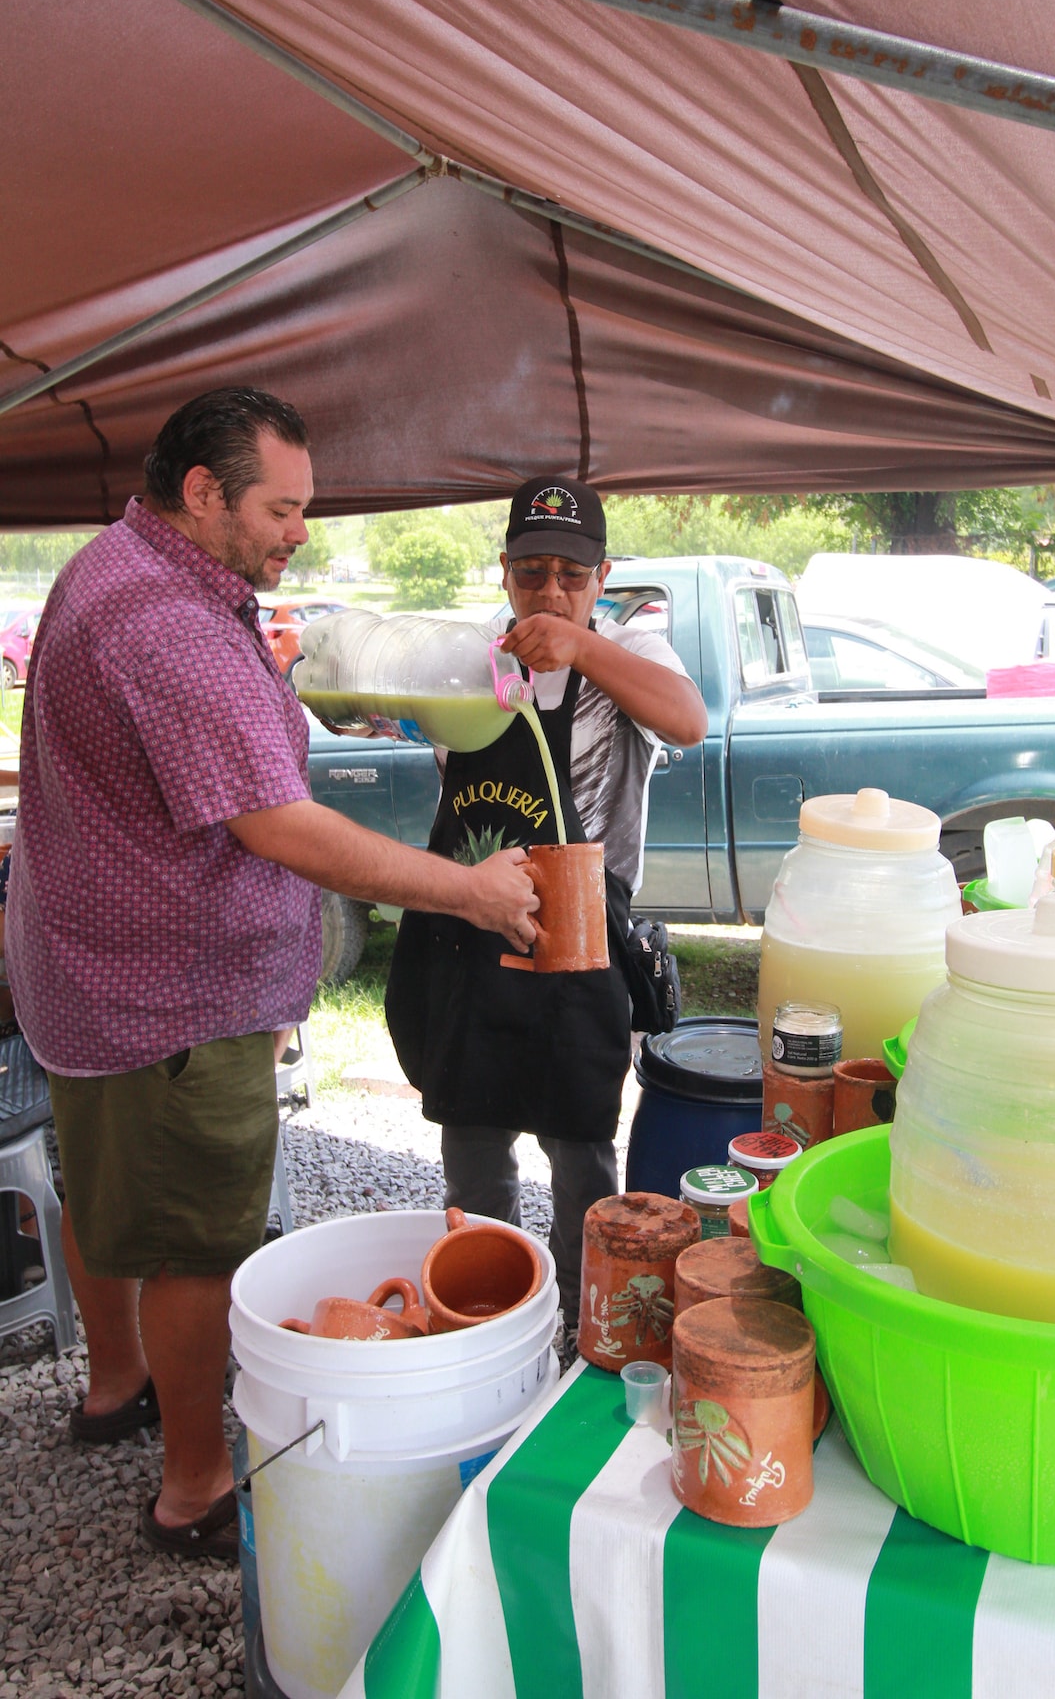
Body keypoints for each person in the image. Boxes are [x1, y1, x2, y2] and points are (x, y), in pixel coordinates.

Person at [6, 388, 537, 1562]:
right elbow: (278, 827)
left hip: (86, 975)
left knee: (103, 1193)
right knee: (198, 1239)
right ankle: (194, 1486)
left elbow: (209, 741)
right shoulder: (170, 625)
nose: (301, 529)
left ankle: (114, 1391)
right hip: (174, 992)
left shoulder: (121, 564)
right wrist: (471, 889)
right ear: (203, 492)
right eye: (281, 508)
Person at [385, 477, 707, 1341]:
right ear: (503, 574)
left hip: (582, 935)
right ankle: (485, 1318)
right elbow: (389, 717)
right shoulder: (470, 661)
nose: (551, 592)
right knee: (472, 1134)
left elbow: (687, 721)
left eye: (572, 574)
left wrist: (580, 647)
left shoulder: (634, 657)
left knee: (579, 1142)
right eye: (532, 573)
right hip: (471, 928)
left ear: (603, 578)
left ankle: (581, 1320)